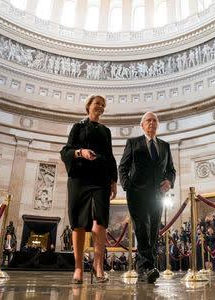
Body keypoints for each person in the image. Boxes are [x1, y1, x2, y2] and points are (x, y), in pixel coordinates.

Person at [60, 94, 117, 284]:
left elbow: (109, 156)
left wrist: (114, 180)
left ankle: (98, 265)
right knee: (78, 222)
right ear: (88, 106)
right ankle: (78, 267)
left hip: (101, 178)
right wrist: (80, 152)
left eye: (103, 105)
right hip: (79, 177)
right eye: (97, 104)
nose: (100, 107)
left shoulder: (106, 131)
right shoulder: (78, 127)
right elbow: (65, 151)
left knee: (100, 220)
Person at [119, 111, 176, 284]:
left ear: (157, 125)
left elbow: (171, 170)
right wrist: (127, 186)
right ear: (142, 125)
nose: (151, 123)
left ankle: (147, 267)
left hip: (157, 195)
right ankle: (146, 268)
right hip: (137, 193)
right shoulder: (133, 142)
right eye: (148, 120)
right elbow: (123, 166)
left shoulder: (165, 146)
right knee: (142, 228)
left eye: (154, 121)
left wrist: (169, 182)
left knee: (153, 231)